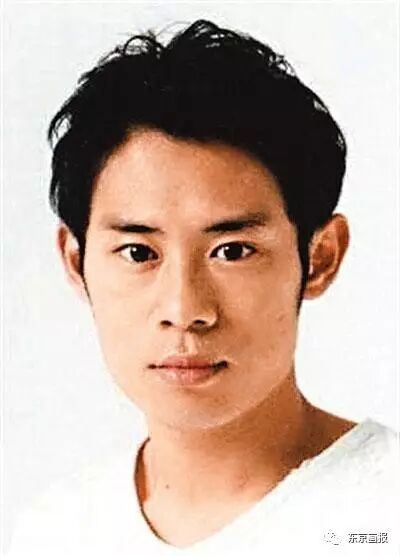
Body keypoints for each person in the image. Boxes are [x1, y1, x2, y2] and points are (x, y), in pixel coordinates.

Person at [8, 19, 397, 555]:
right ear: (77, 264)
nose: (184, 308)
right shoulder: (52, 534)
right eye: (139, 253)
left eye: (232, 251)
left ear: (321, 257)